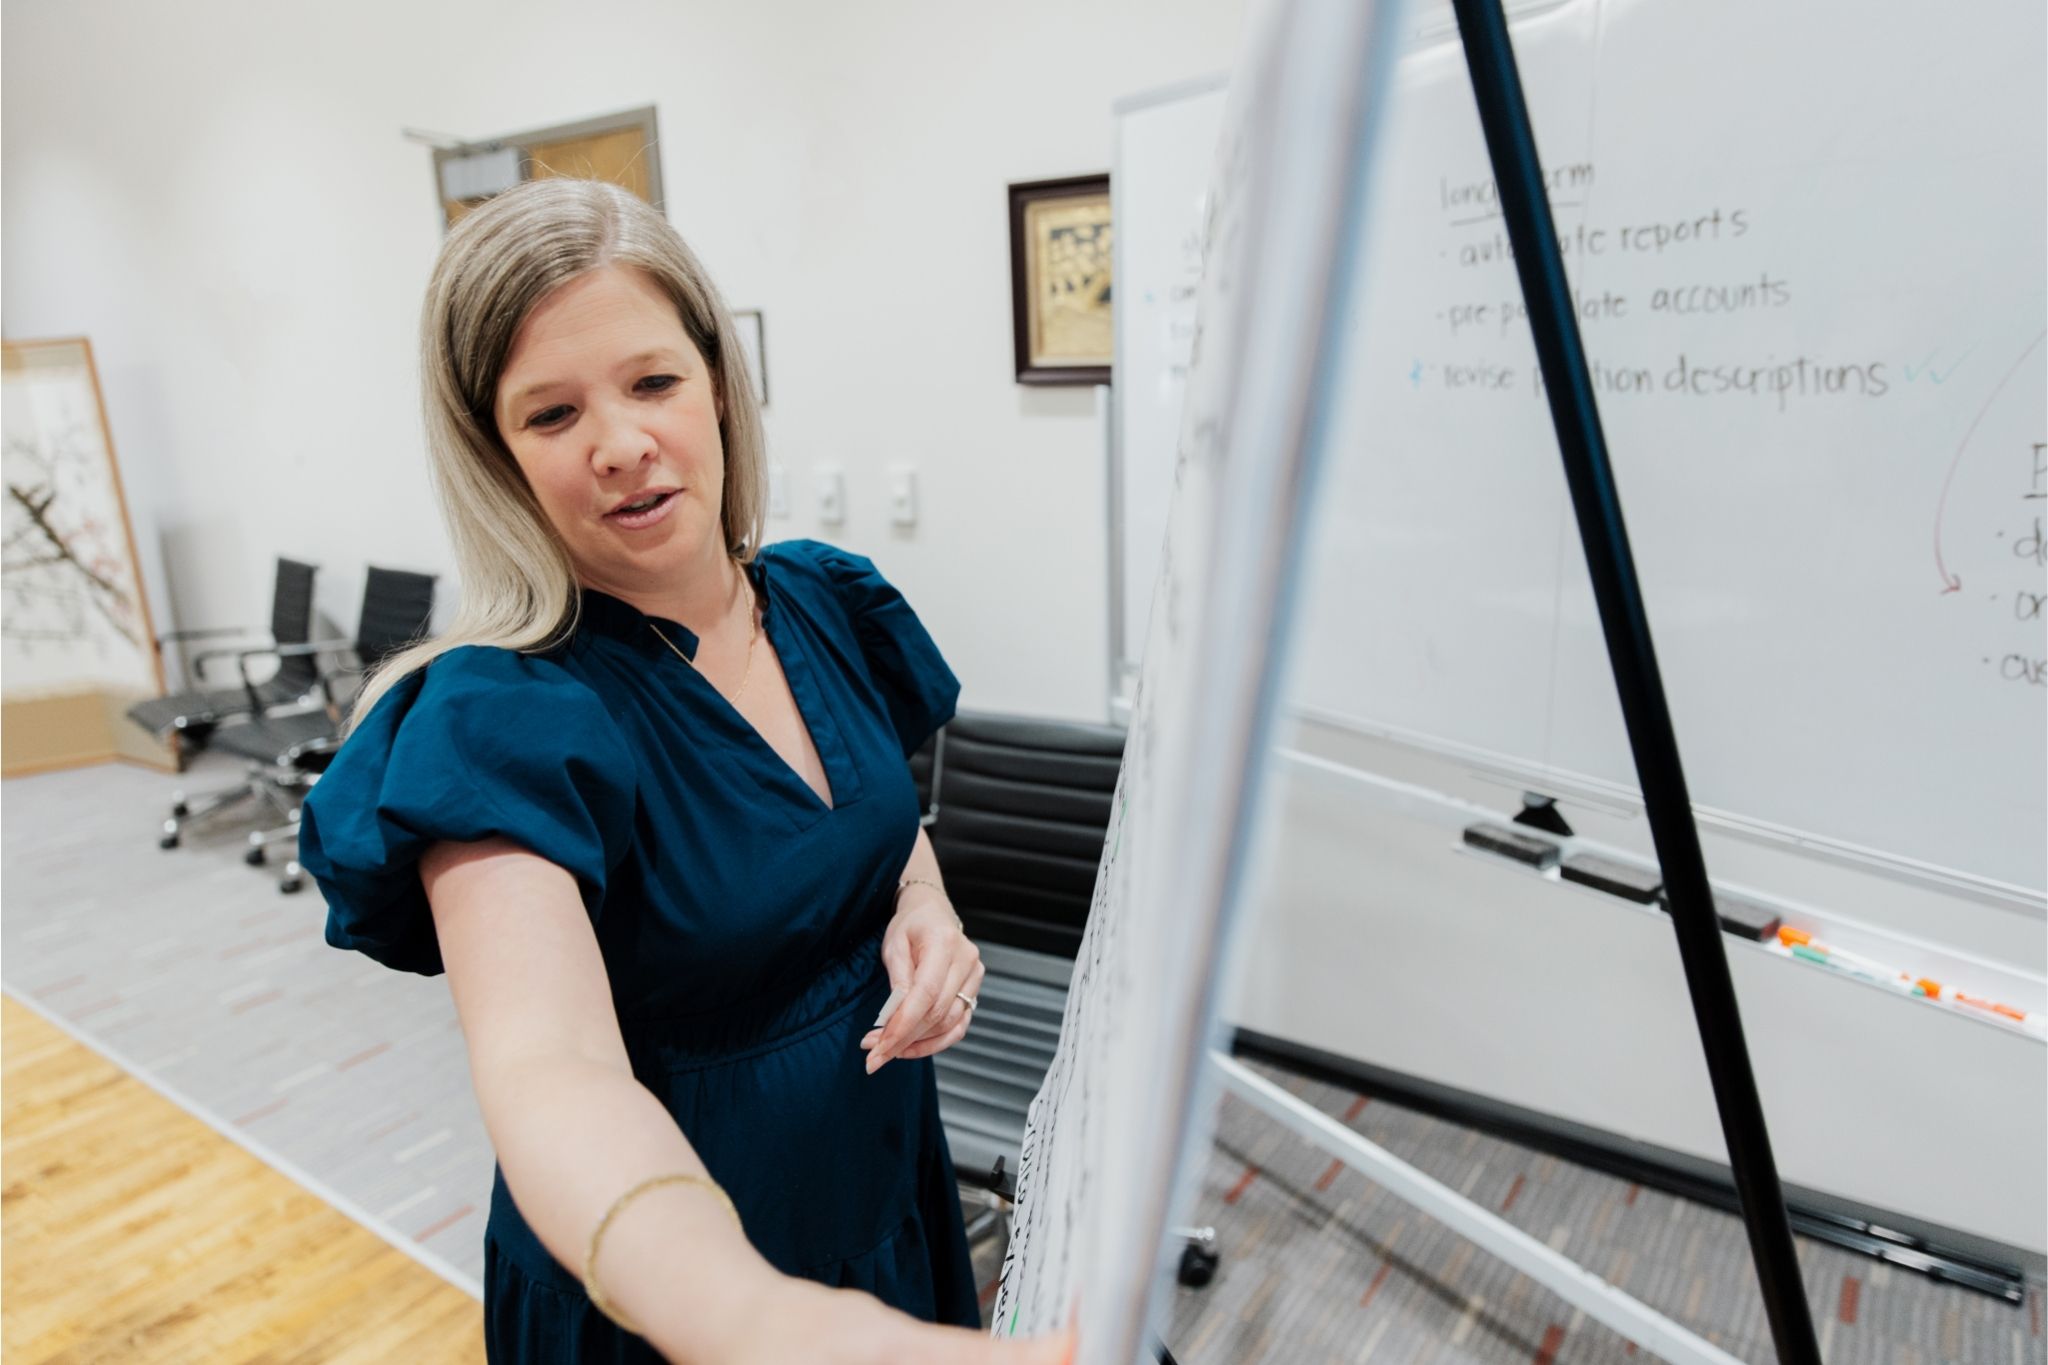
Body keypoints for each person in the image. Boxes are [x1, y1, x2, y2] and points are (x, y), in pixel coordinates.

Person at [298, 177, 1072, 1365]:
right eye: (550, 416)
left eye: (651, 381)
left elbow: (872, 821)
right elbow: (545, 1071)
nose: (620, 445)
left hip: (880, 1190)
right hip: (676, 1299)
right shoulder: (500, 719)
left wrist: (924, 907)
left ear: (717, 382)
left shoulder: (823, 604)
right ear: (494, 454)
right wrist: (755, 1317)